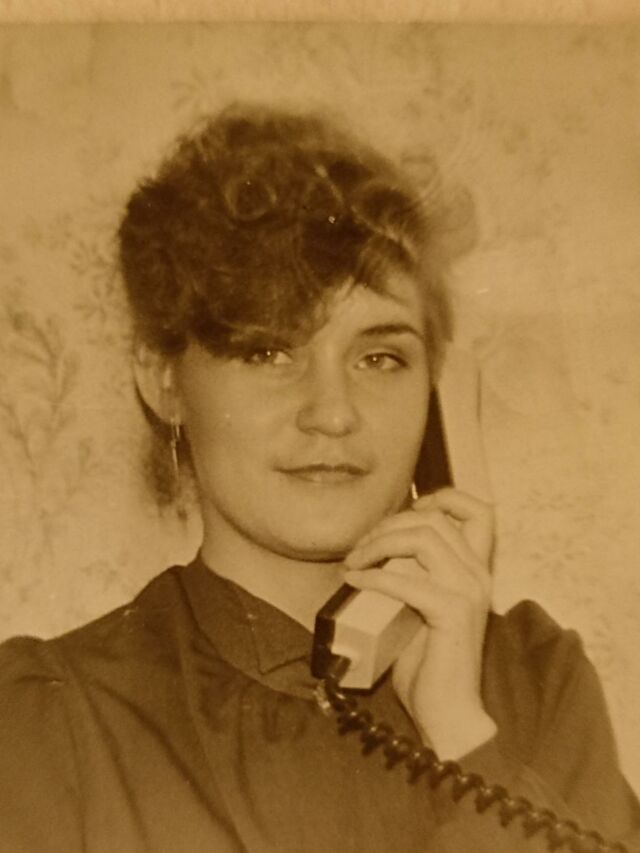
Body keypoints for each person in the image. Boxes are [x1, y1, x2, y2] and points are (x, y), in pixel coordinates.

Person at [0, 103, 638, 853]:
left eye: (381, 357)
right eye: (269, 352)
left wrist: (464, 737)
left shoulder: (536, 683)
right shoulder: (54, 717)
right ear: (164, 378)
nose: (333, 413)